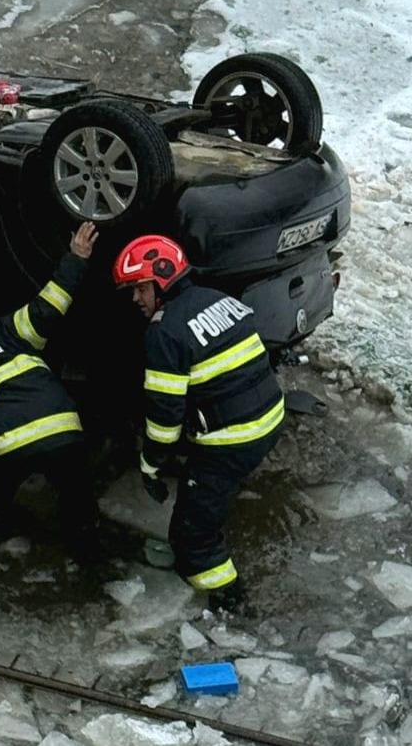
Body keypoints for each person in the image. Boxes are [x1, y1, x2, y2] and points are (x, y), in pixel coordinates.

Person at [113, 233, 283, 612]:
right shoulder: (219, 300)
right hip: (270, 417)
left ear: (161, 282)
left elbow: (164, 419)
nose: (136, 299)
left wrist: (151, 465)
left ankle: (229, 601)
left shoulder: (164, 332)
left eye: (140, 289)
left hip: (233, 440)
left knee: (191, 536)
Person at [0, 222, 99, 543]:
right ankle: (87, 550)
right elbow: (51, 305)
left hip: (7, 443)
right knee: (78, 501)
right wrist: (76, 256)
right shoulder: (7, 332)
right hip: (61, 427)